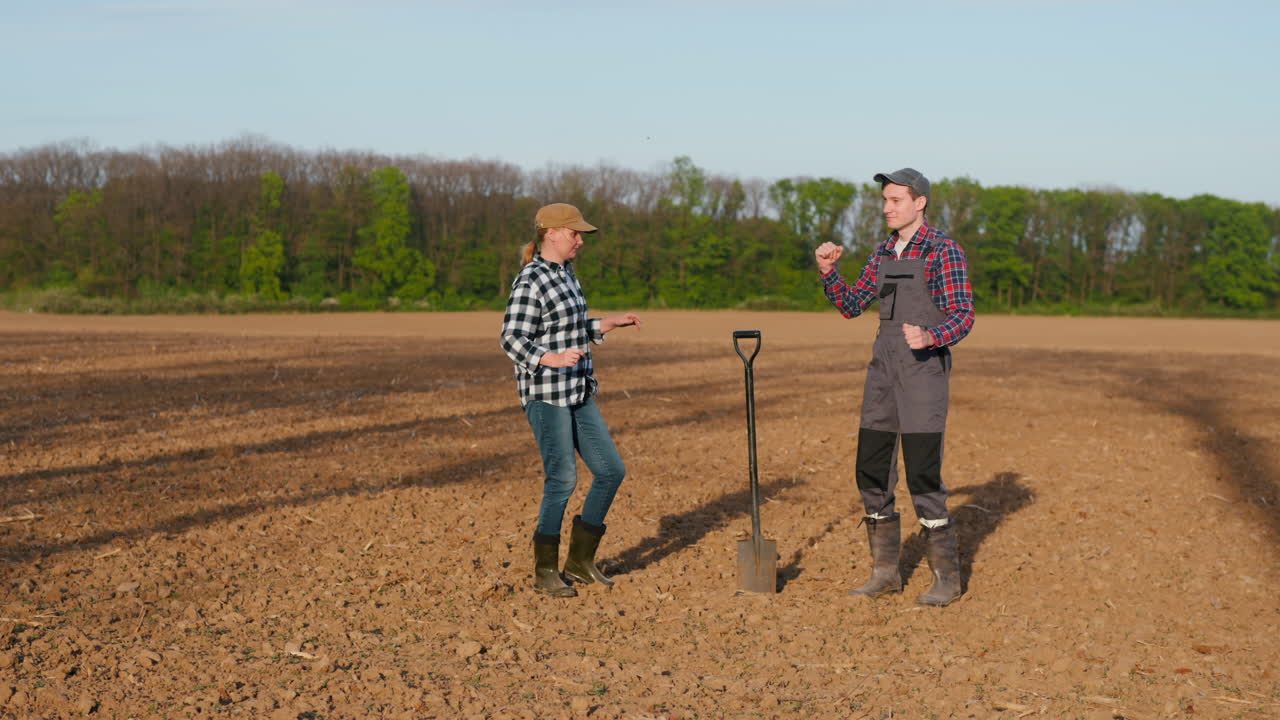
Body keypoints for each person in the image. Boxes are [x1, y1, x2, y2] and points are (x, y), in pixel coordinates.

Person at [814, 168, 975, 607]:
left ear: (919, 202)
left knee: (923, 473)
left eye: (896, 200)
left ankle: (946, 579)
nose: (887, 207)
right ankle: (885, 573)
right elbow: (852, 305)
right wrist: (829, 272)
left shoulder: (944, 251)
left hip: (923, 374)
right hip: (882, 374)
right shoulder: (883, 251)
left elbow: (963, 314)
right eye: (884, 200)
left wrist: (931, 336)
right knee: (871, 468)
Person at [500, 202, 642, 598]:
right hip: (546, 394)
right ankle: (545, 570)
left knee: (611, 471)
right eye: (575, 233)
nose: (580, 240)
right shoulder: (532, 279)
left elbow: (571, 326)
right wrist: (551, 358)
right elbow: (512, 338)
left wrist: (605, 324)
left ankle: (579, 563)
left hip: (578, 390)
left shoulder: (566, 274)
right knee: (562, 479)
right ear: (552, 234)